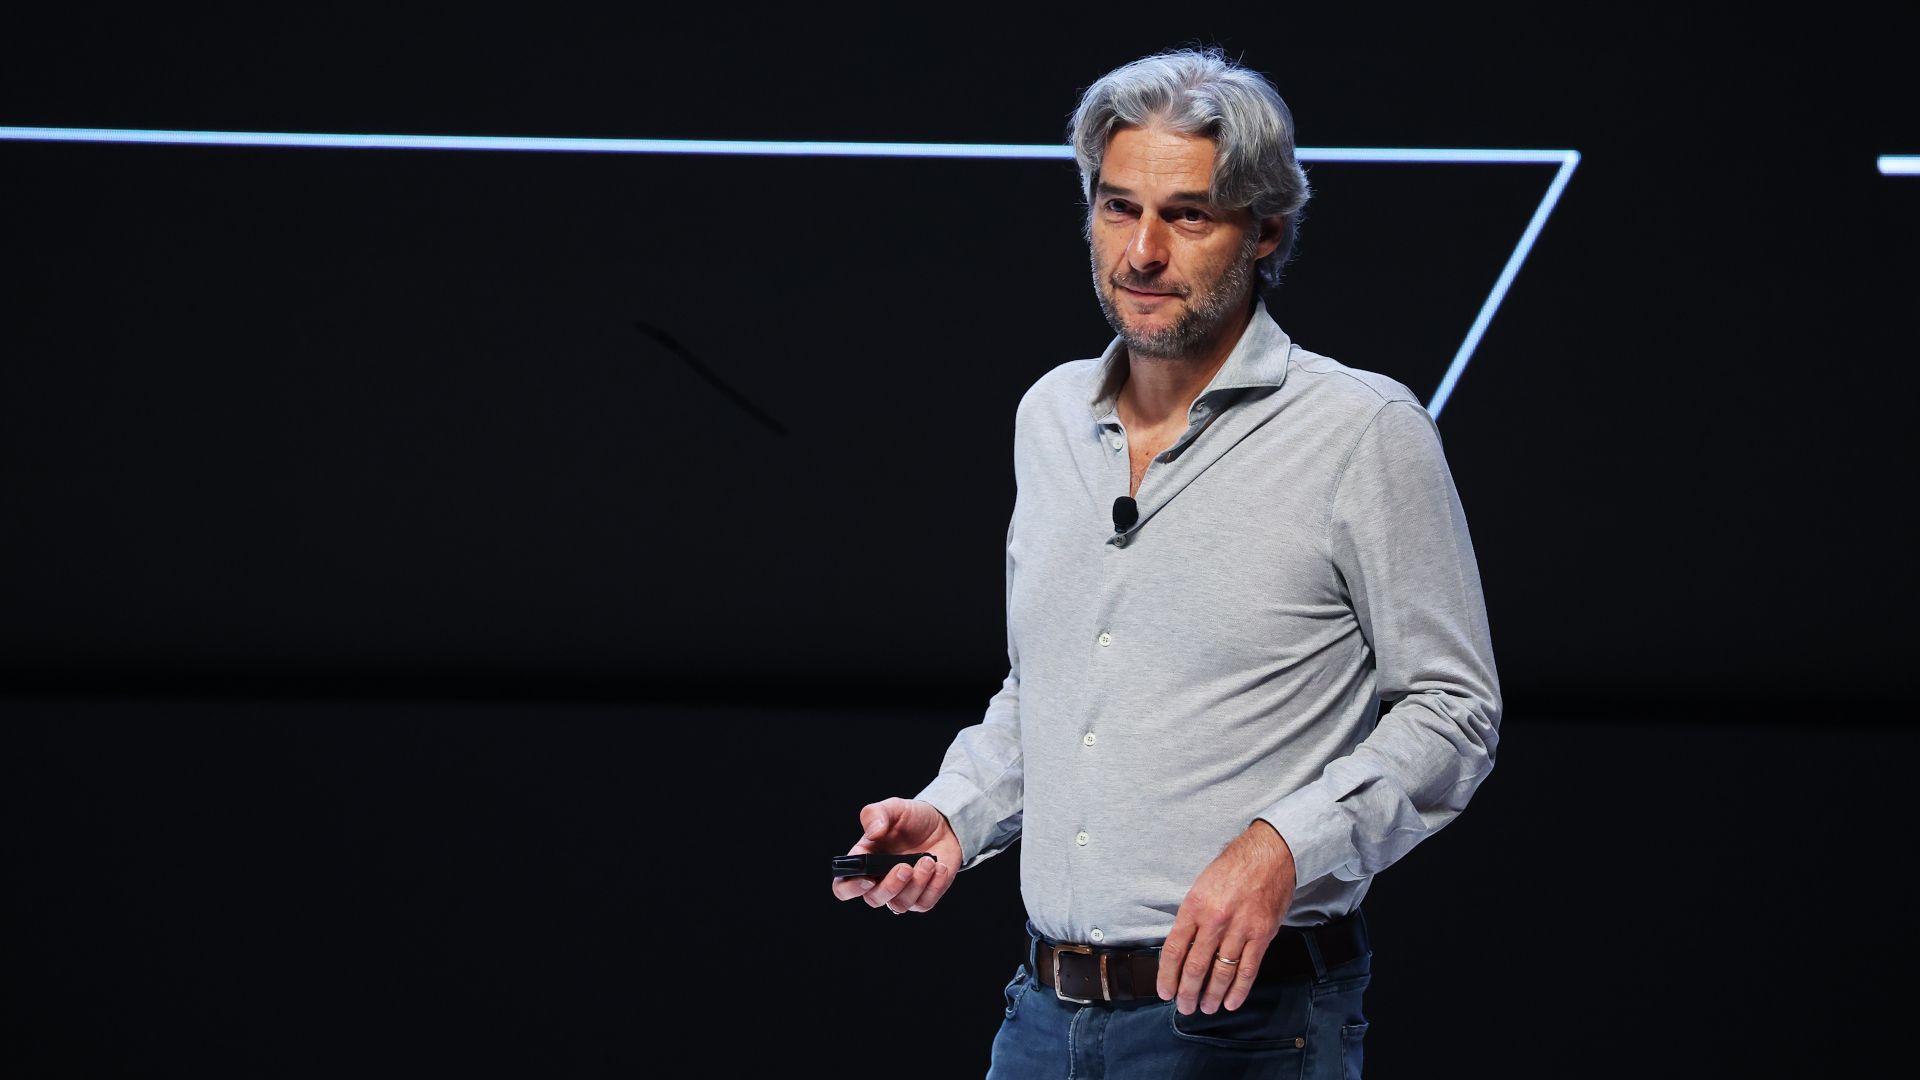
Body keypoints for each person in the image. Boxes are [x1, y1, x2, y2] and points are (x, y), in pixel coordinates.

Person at [831, 46, 1501, 1079]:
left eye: (1187, 215)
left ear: (1266, 231)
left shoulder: (1364, 430)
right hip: (1041, 1020)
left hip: (1249, 1026)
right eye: (1116, 208)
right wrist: (956, 813)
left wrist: (1285, 843)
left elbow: (1454, 710)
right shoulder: (1049, 415)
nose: (1141, 251)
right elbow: (1052, 686)